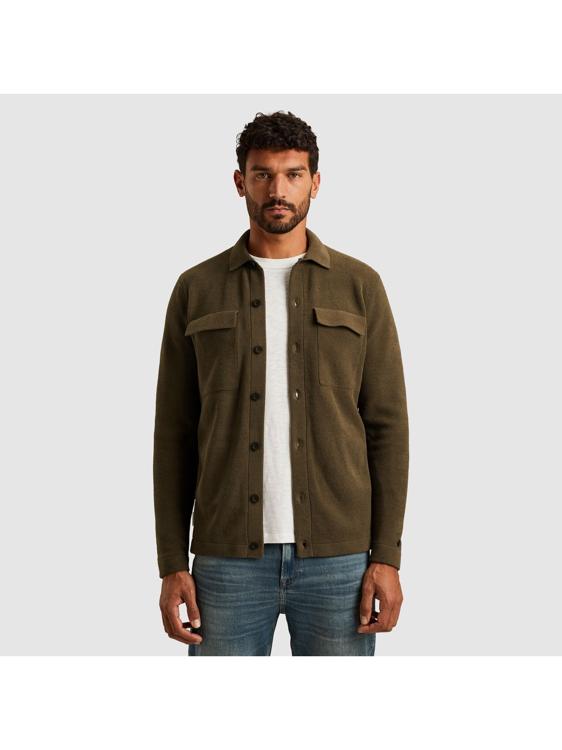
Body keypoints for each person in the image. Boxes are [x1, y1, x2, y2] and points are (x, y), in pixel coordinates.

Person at [153, 110, 409, 656]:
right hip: (225, 562)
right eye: (263, 174)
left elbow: (387, 428)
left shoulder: (360, 286)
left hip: (340, 562)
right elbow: (173, 434)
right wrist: (172, 562)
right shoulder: (196, 289)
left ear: (315, 182)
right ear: (239, 181)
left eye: (293, 174)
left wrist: (386, 556)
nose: (278, 190)